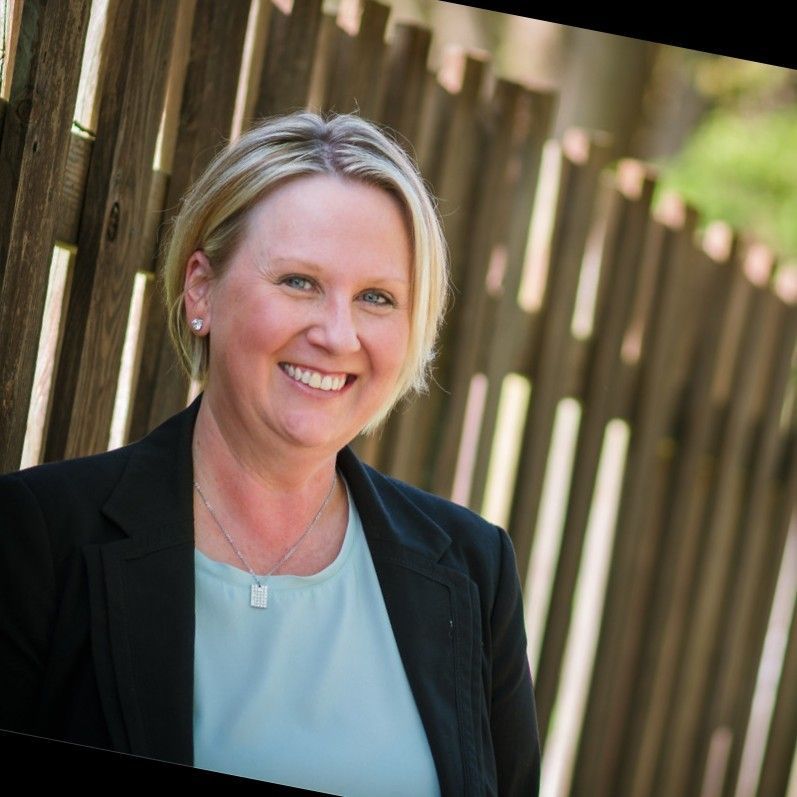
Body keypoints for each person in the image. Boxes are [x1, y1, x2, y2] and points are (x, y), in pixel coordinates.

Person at [0, 112, 540, 795]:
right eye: (298, 282)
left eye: (377, 297)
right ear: (201, 288)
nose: (337, 334)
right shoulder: (40, 537)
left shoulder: (472, 568)